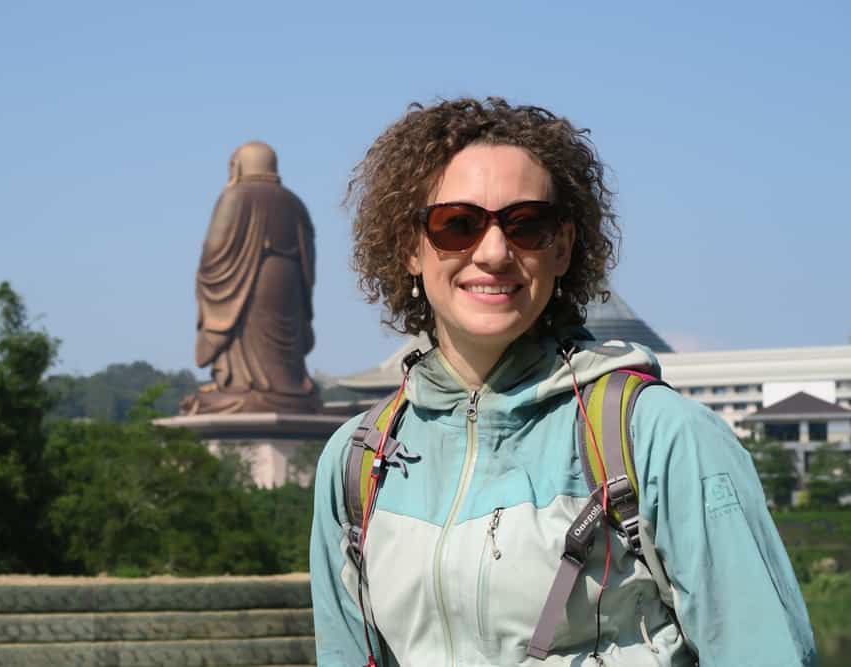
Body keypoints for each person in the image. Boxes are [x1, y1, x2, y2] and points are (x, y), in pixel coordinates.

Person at [309, 98, 816, 666]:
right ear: (410, 247)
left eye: (527, 225)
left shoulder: (659, 437)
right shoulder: (359, 463)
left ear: (565, 247)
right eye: (458, 225)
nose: (495, 252)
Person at [182, 141, 319, 415]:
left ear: (238, 165)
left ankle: (242, 387)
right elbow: (309, 261)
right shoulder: (295, 203)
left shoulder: (236, 196)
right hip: (287, 287)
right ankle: (288, 386)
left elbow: (214, 253)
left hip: (245, 287)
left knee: (244, 344)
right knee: (280, 357)